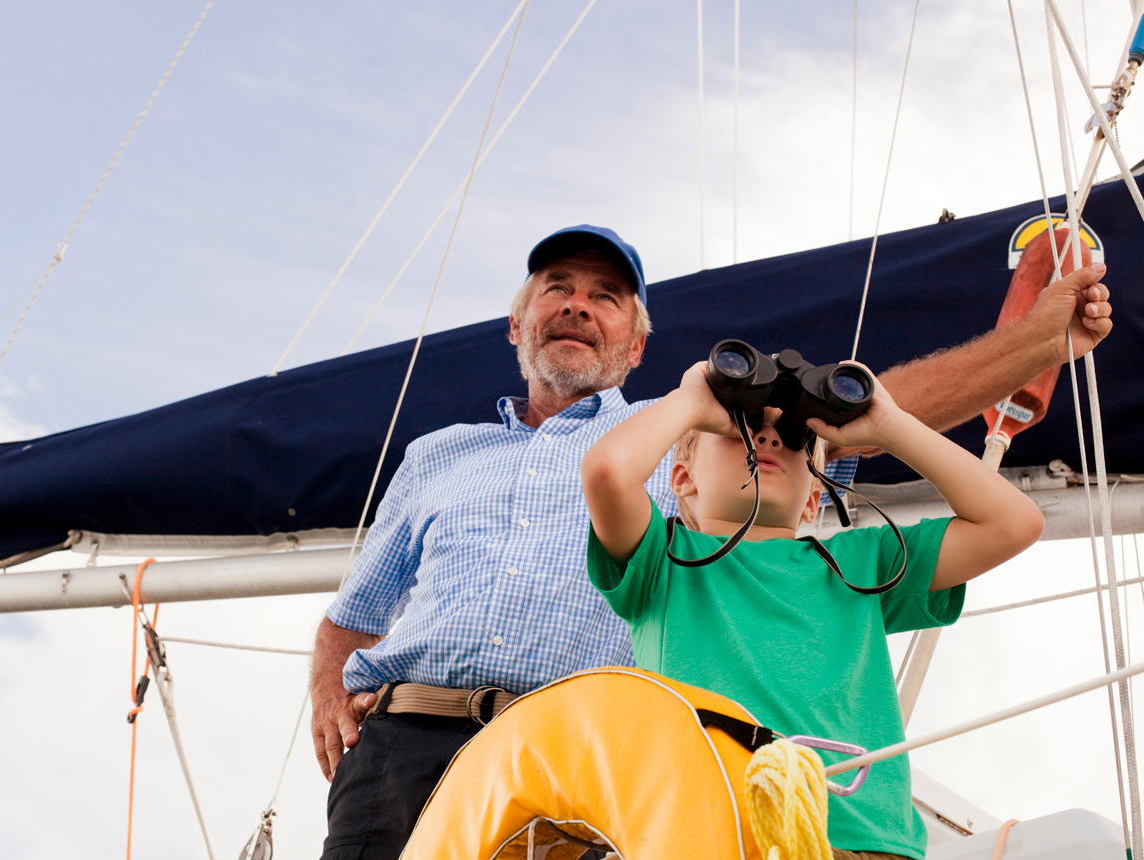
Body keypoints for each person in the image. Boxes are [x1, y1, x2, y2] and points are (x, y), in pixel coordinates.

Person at [309, 224, 1112, 860]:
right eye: (557, 288)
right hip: (404, 743)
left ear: (637, 348)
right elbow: (356, 613)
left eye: (607, 296)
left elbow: (855, 420)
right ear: (517, 322)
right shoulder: (437, 454)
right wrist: (329, 693)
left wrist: (1037, 345)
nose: (578, 305)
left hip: (582, 758)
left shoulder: (672, 439)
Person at [580, 358, 1045, 860]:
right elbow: (607, 472)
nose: (770, 438)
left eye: (796, 437)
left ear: (812, 501)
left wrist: (890, 426)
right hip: (713, 837)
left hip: (866, 843)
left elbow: (1014, 523)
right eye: (742, 428)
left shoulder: (862, 563)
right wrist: (693, 401)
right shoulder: (662, 560)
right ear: (682, 478)